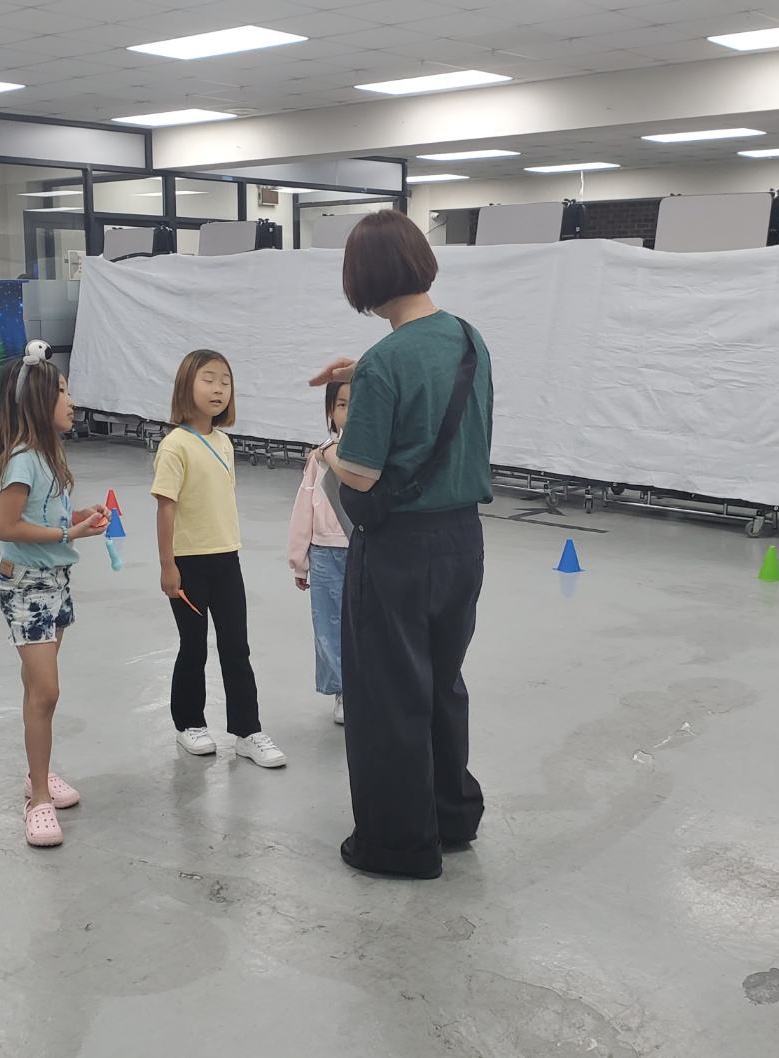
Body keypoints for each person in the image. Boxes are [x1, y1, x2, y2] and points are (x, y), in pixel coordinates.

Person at [311, 210, 494, 880]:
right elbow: (429, 381)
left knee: (388, 694)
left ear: (363, 278)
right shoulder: (468, 339)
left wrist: (327, 450)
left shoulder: (384, 363)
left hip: (398, 549)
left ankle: (398, 844)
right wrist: (365, 369)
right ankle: (451, 816)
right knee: (441, 682)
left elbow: (360, 474)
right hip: (462, 540)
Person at [0, 343, 110, 848]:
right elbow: (7, 526)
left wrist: (78, 516)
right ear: (36, 401)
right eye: (61, 391)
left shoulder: (48, 457)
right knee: (46, 692)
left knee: (38, 689)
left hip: (55, 583)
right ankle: (37, 799)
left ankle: (39, 772)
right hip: (27, 588)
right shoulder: (22, 461)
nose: (71, 401)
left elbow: (44, 513)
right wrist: (67, 535)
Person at [152, 349, 287, 768]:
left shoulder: (224, 443)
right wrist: (168, 566)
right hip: (188, 564)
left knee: (236, 646)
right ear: (186, 386)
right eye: (208, 379)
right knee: (193, 647)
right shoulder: (175, 446)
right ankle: (189, 723)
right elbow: (166, 508)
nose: (218, 389)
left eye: (225, 382)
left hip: (227, 560)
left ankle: (247, 731)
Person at [287, 381, 351, 725]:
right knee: (328, 625)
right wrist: (300, 562)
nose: (350, 412)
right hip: (325, 553)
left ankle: (369, 689)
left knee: (367, 624)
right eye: (342, 405)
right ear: (330, 411)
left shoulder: (379, 456)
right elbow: (304, 507)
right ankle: (344, 692)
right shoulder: (320, 458)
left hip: (367, 552)